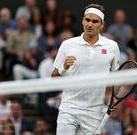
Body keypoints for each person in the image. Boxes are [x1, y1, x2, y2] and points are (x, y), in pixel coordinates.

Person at [51, 3, 120, 135]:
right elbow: (53, 77)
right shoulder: (67, 44)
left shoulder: (112, 46)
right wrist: (64, 67)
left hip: (94, 112)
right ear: (83, 21)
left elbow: (115, 78)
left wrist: (114, 98)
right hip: (69, 108)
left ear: (102, 24)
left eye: (95, 21)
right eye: (87, 20)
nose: (90, 24)